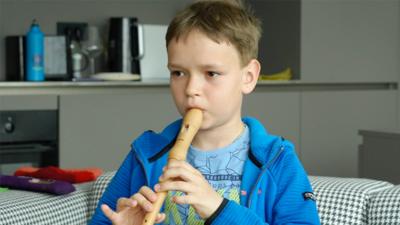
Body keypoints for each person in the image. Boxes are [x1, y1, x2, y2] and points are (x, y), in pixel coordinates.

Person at [89, 0, 321, 224]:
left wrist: (219, 209)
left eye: (211, 73)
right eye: (178, 73)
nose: (191, 89)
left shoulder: (278, 160)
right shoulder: (146, 153)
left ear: (248, 77)